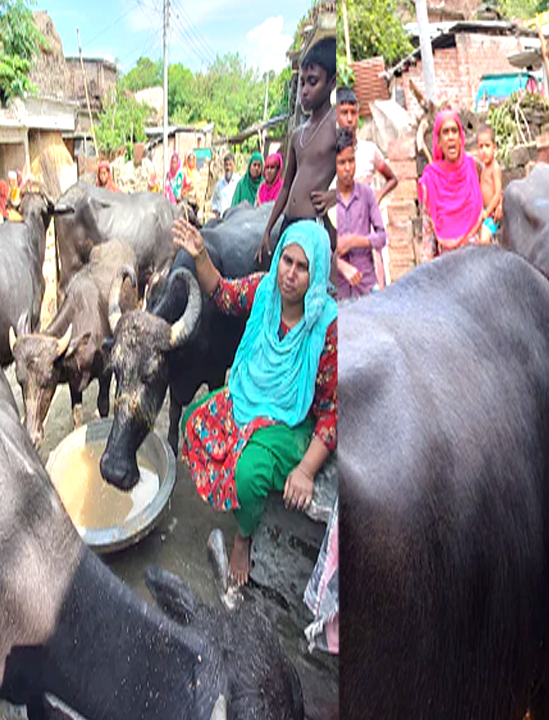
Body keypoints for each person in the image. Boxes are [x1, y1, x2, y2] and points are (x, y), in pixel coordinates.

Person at [171, 217, 337, 586]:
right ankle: (242, 496)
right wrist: (199, 255)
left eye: (302, 267)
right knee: (192, 423)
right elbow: (222, 293)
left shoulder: (327, 326)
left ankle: (243, 537)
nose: (290, 274)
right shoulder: (265, 292)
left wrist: (307, 470)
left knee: (248, 474)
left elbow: (332, 413)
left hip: (289, 421)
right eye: (286, 261)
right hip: (248, 396)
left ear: (317, 272)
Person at [260, 37, 337, 265]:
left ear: (332, 82)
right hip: (288, 223)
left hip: (313, 224)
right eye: (302, 82)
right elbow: (285, 187)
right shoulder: (297, 134)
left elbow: (358, 171)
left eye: (312, 82)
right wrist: (268, 228)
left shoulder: (336, 124)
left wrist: (336, 196)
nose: (304, 91)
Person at [336, 87, 398, 288]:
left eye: (353, 113)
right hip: (340, 241)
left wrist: (376, 197)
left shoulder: (369, 151)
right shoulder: (328, 155)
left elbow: (392, 178)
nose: (349, 119)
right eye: (344, 113)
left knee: (376, 284)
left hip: (367, 233)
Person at [419, 109, 484, 260]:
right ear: (439, 141)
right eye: (445, 132)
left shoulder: (474, 168)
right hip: (449, 273)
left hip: (479, 266)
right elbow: (428, 240)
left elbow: (491, 208)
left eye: (454, 131)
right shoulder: (431, 180)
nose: (450, 137)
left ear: (461, 137)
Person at [334, 128, 387, 300]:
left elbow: (381, 238)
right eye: (342, 163)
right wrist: (341, 266)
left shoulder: (366, 194)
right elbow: (320, 250)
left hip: (366, 286)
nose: (348, 168)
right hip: (339, 292)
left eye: (351, 161)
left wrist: (354, 241)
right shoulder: (327, 200)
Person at [476, 126, 503, 243]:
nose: (484, 150)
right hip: (484, 211)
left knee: (484, 239)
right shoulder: (482, 168)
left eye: (487, 146)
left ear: (494, 147)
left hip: (492, 214)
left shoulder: (494, 168)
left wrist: (488, 212)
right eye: (480, 147)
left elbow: (497, 193)